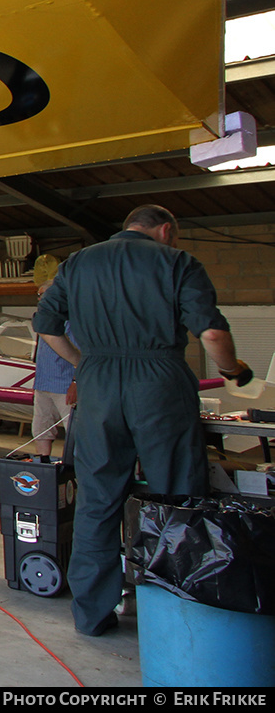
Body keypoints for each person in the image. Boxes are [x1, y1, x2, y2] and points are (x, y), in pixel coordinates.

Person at [33, 204, 246, 637]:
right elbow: (212, 334)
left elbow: (47, 326)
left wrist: (85, 363)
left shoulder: (77, 263)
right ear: (166, 230)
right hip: (160, 384)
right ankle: (173, 612)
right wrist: (231, 371)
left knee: (96, 499)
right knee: (177, 497)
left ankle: (92, 614)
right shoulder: (178, 262)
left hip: (98, 387)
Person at [31, 281, 75, 458]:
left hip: (63, 385)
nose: (40, 299)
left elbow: (79, 354)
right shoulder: (42, 320)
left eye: (43, 295)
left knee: (74, 431)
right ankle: (43, 464)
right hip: (43, 384)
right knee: (40, 428)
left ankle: (72, 468)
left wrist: (75, 381)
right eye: (39, 296)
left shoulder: (70, 322)